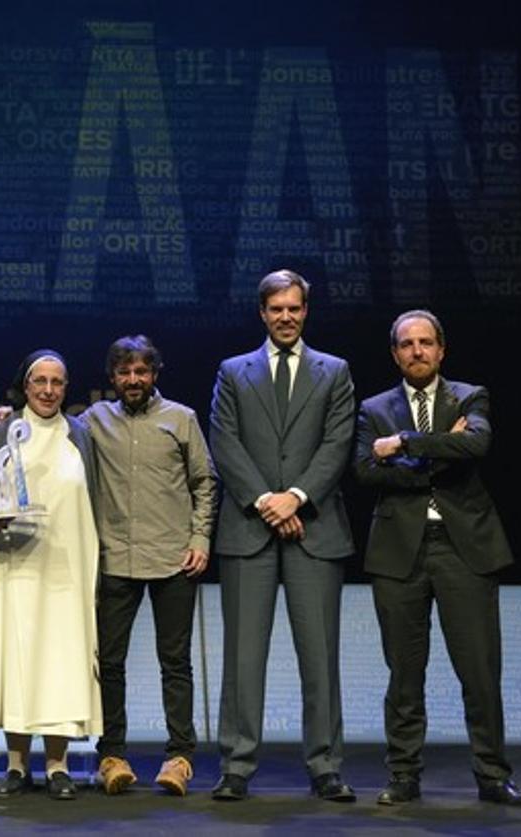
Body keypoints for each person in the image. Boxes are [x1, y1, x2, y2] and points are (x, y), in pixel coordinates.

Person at [353, 309, 521, 809]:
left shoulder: (469, 396)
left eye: (426, 342)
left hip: (465, 548)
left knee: (479, 670)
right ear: (395, 353)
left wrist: (407, 445)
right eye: (407, 344)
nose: (417, 351)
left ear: (441, 349)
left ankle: (493, 776)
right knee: (404, 674)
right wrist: (439, 453)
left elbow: (476, 443)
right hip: (399, 552)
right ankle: (404, 775)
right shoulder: (374, 408)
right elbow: (366, 471)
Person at [209, 269, 356, 802]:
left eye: (294, 308)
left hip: (314, 528)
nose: (286, 317)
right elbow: (223, 441)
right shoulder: (233, 371)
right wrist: (266, 501)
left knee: (320, 657)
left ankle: (325, 765)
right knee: (243, 658)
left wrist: (296, 496)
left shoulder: (334, 371)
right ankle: (237, 765)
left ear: (305, 311)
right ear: (262, 314)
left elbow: (338, 443)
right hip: (249, 527)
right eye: (277, 309)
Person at [0, 350, 101, 801]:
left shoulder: (81, 436)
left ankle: (57, 766)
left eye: (57, 382)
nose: (49, 390)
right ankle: (16, 766)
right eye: (40, 381)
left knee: (60, 666)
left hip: (67, 572)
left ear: (66, 388)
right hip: (12, 570)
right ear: (25, 385)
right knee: (16, 663)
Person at [86, 336, 216, 797]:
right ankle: (112, 756)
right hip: (115, 557)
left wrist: (200, 538)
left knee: (175, 663)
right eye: (125, 372)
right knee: (110, 663)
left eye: (142, 371)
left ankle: (180, 757)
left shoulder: (181, 418)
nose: (134, 379)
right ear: (113, 377)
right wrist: (4, 418)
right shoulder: (92, 421)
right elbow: (46, 435)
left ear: (155, 374)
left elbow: (205, 482)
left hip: (173, 558)